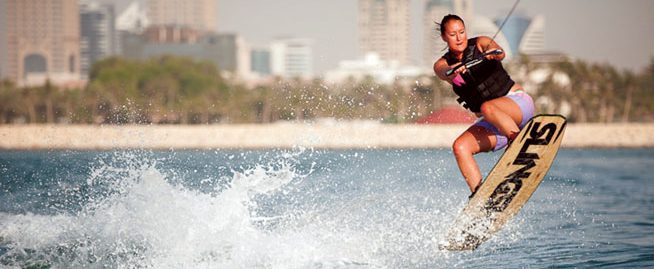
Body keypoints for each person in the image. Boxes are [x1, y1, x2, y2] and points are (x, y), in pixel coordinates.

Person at [433, 14, 535, 198]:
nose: (459, 38)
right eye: (453, 34)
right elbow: (443, 71)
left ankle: (517, 144)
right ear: (444, 37)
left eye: (462, 32)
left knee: (488, 107)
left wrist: (492, 53)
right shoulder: (442, 64)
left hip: (518, 105)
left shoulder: (481, 43)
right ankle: (480, 197)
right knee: (460, 147)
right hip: (496, 124)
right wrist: (454, 70)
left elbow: (499, 51)